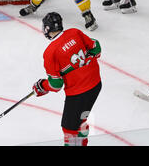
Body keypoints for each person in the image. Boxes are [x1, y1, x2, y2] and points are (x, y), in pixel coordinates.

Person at [32, 12, 102, 146]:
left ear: (47, 29)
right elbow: (96, 48)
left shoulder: (50, 52)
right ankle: (82, 144)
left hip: (79, 93)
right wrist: (88, 58)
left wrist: (42, 86)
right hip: (96, 84)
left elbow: (56, 84)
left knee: (69, 128)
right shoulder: (74, 32)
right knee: (80, 121)